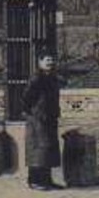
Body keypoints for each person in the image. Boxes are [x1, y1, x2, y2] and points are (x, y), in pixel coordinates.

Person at [23, 54, 63, 190]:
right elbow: (27, 97)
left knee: (49, 150)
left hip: (50, 117)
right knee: (38, 149)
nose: (50, 62)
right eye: (47, 60)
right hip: (38, 118)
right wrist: (33, 113)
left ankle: (47, 180)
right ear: (40, 62)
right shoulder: (36, 78)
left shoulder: (52, 77)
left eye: (52, 60)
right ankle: (34, 181)